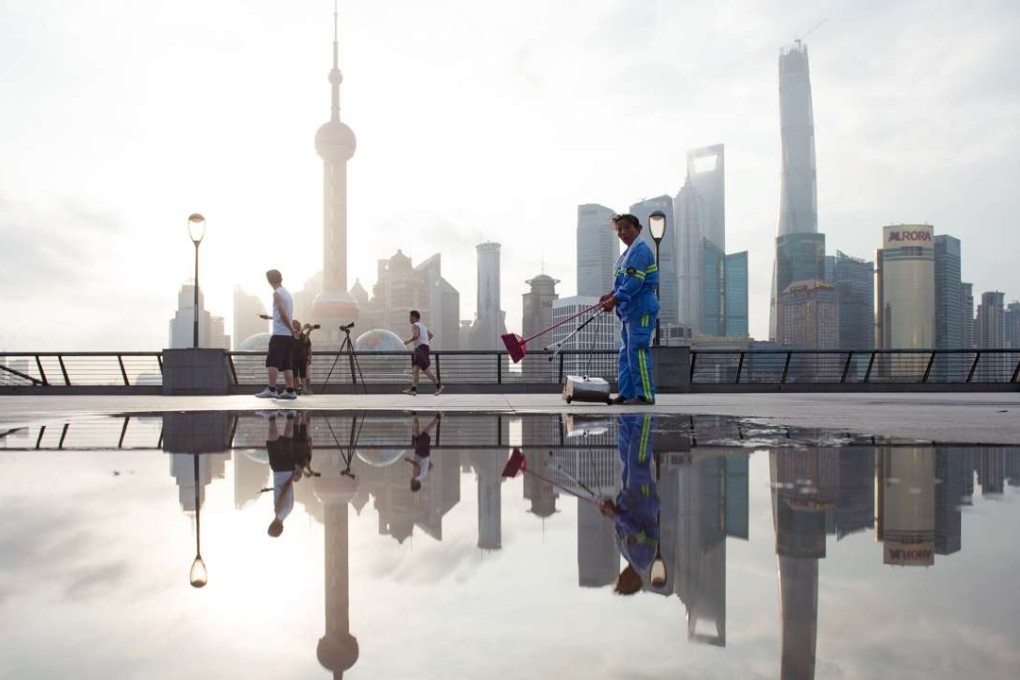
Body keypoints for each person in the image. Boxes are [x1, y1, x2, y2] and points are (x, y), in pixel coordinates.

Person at [599, 214, 659, 405]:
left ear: (638, 229)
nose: (623, 233)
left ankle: (645, 395)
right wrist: (610, 295)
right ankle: (627, 393)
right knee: (626, 353)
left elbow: (634, 282)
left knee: (638, 351)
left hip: (641, 309)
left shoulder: (640, 251)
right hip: (630, 311)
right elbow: (623, 282)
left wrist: (614, 300)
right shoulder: (629, 253)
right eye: (619, 229)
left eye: (627, 228)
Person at [598, 413, 660, 594]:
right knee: (637, 455)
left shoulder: (628, 556)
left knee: (625, 450)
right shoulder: (642, 558)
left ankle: (628, 415)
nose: (621, 576)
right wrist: (615, 514)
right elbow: (635, 530)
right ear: (633, 583)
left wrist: (612, 514)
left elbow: (623, 528)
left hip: (630, 495)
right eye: (623, 581)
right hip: (641, 497)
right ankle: (645, 416)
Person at [256, 269, 299, 399]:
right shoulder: (287, 293)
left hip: (280, 334)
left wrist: (292, 329)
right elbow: (284, 314)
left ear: (269, 281)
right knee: (287, 364)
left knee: (272, 362)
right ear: (281, 278)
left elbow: (282, 313)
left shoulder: (276, 294)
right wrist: (270, 317)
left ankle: (272, 389)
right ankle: (290, 390)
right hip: (287, 336)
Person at [265, 409, 301, 537]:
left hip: (288, 470)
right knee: (273, 445)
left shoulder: (288, 511)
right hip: (280, 472)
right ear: (272, 526)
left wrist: (293, 474)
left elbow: (288, 490)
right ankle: (271, 417)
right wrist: (291, 478)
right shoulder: (279, 511)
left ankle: (290, 416)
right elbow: (285, 491)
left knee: (287, 442)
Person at [402, 310, 444, 396]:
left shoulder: (415, 325)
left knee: (426, 370)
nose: (409, 319)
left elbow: (416, 336)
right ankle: (413, 389)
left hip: (420, 349)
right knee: (415, 370)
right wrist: (425, 342)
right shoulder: (423, 326)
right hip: (424, 348)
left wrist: (407, 342)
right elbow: (431, 335)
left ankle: (439, 386)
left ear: (415, 317)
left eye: (411, 317)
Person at [406, 412, 441, 492]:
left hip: (425, 454)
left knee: (416, 433)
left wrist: (426, 460)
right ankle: (437, 418)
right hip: (420, 453)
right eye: (411, 485)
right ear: (415, 484)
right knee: (425, 432)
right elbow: (417, 465)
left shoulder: (423, 476)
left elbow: (431, 466)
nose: (410, 483)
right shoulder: (416, 476)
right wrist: (408, 460)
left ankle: (415, 416)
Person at [290, 320, 315, 395]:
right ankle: (294, 388)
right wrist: (304, 328)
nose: (298, 325)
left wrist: (309, 331)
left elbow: (306, 341)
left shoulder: (302, 334)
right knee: (294, 373)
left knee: (303, 373)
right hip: (294, 357)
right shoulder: (291, 333)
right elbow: (296, 335)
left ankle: (304, 388)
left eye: (299, 324)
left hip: (302, 356)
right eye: (296, 324)